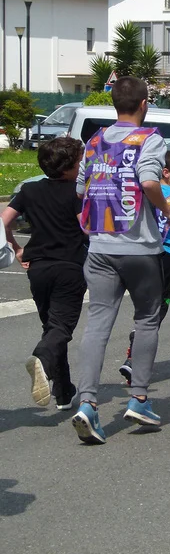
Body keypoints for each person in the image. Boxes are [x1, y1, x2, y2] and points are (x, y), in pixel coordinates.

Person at [71, 76, 170, 444]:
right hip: (140, 248)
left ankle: (88, 403)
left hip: (99, 245)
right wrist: (167, 210)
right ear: (144, 104)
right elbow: (149, 182)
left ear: (113, 103)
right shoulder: (150, 138)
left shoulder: (95, 140)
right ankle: (139, 399)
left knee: (98, 323)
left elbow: (81, 189)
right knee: (147, 318)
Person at [1, 137, 87, 410]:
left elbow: (4, 220)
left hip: (38, 267)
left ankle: (63, 392)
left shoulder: (30, 190)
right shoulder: (76, 193)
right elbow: (86, 227)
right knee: (61, 328)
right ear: (70, 166)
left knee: (52, 327)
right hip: (69, 266)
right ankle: (41, 358)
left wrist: (16, 248)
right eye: (80, 161)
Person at [119, 150, 170, 384]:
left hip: (140, 255)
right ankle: (135, 357)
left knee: (143, 306)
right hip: (167, 258)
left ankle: (136, 347)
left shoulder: (144, 193)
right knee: (157, 310)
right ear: (166, 172)